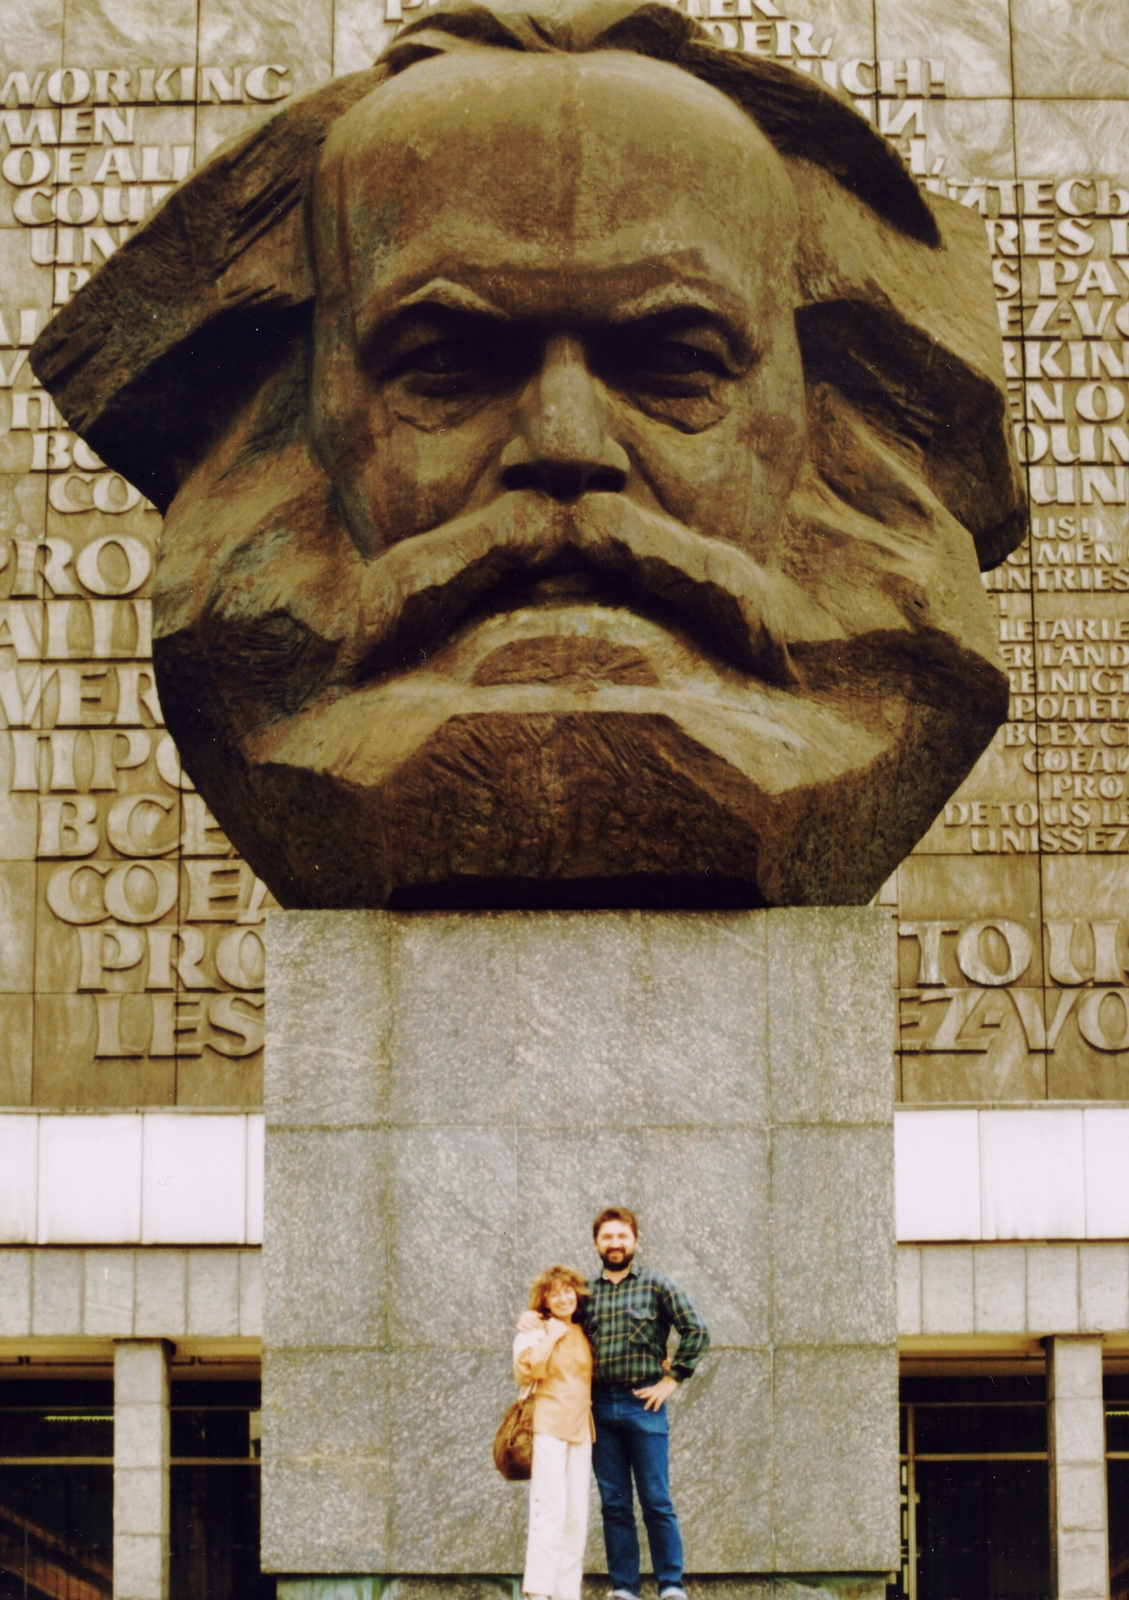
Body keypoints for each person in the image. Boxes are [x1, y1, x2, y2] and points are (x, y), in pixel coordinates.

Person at [518, 1208, 709, 1600]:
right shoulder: (587, 1294)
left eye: (622, 1236)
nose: (615, 1244)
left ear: (635, 1240)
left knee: (656, 1498)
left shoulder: (656, 1285)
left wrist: (671, 1381)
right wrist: (529, 1318)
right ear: (597, 1243)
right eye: (608, 1237)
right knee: (615, 1503)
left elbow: (696, 1330)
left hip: (645, 1406)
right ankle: (625, 1588)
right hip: (599, 1411)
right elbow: (558, 1316)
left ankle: (671, 1585)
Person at [513, 1265, 596, 1600]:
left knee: (576, 1517)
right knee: (549, 1510)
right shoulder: (536, 1329)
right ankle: (538, 1591)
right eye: (555, 1292)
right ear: (544, 1298)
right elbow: (525, 1373)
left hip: (580, 1430)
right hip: (548, 1426)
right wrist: (549, 1336)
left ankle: (566, 1593)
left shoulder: (584, 1329)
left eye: (568, 1290)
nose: (563, 1297)